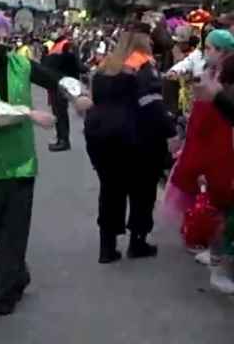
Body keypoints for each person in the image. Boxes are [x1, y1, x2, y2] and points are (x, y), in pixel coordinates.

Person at [0, 10, 91, 316]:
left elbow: (54, 79)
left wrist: (77, 94)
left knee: (15, 230)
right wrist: (31, 114)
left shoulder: (21, 63)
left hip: (21, 162)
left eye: (5, 39)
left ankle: (3, 293)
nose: (1, 44)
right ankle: (18, 272)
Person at [83, 22, 175, 265]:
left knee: (111, 191)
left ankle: (107, 247)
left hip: (101, 138)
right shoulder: (144, 65)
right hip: (136, 139)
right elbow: (151, 104)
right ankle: (137, 242)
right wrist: (169, 130)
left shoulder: (106, 66)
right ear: (143, 40)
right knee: (142, 192)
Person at [167, 29, 234, 293]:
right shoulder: (213, 76)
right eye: (207, 48)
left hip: (220, 153)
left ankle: (216, 260)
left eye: (212, 48)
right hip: (214, 154)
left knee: (221, 209)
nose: (207, 52)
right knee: (220, 209)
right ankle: (217, 263)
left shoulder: (222, 80)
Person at [41, 30, 86, 152]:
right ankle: (61, 139)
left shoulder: (64, 47)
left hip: (62, 85)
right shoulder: (56, 47)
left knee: (61, 113)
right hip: (59, 84)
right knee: (60, 113)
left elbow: (76, 65)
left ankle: (63, 141)